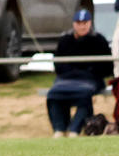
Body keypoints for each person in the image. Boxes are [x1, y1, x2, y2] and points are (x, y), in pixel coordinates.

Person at [46, 9, 112, 137]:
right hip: (66, 79)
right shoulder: (65, 40)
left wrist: (90, 72)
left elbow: (106, 66)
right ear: (74, 24)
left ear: (90, 23)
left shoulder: (99, 40)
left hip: (90, 80)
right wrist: (71, 72)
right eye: (79, 23)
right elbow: (58, 64)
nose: (82, 26)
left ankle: (74, 130)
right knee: (53, 95)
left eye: (85, 22)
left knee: (84, 96)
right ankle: (59, 130)